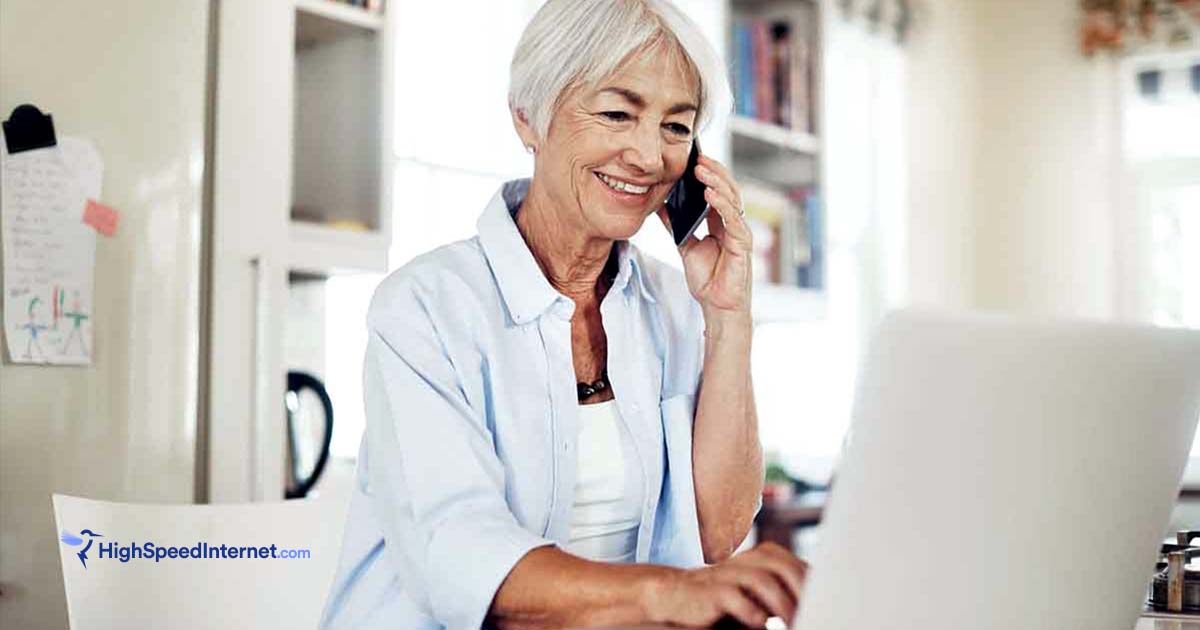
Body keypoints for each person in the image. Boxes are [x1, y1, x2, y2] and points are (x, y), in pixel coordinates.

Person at [320, 1, 808, 628]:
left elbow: (716, 535)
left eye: (676, 127)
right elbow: (460, 557)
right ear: (529, 117)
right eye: (616, 113)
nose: (648, 156)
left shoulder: (676, 306)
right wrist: (665, 594)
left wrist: (729, 314)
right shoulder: (426, 307)